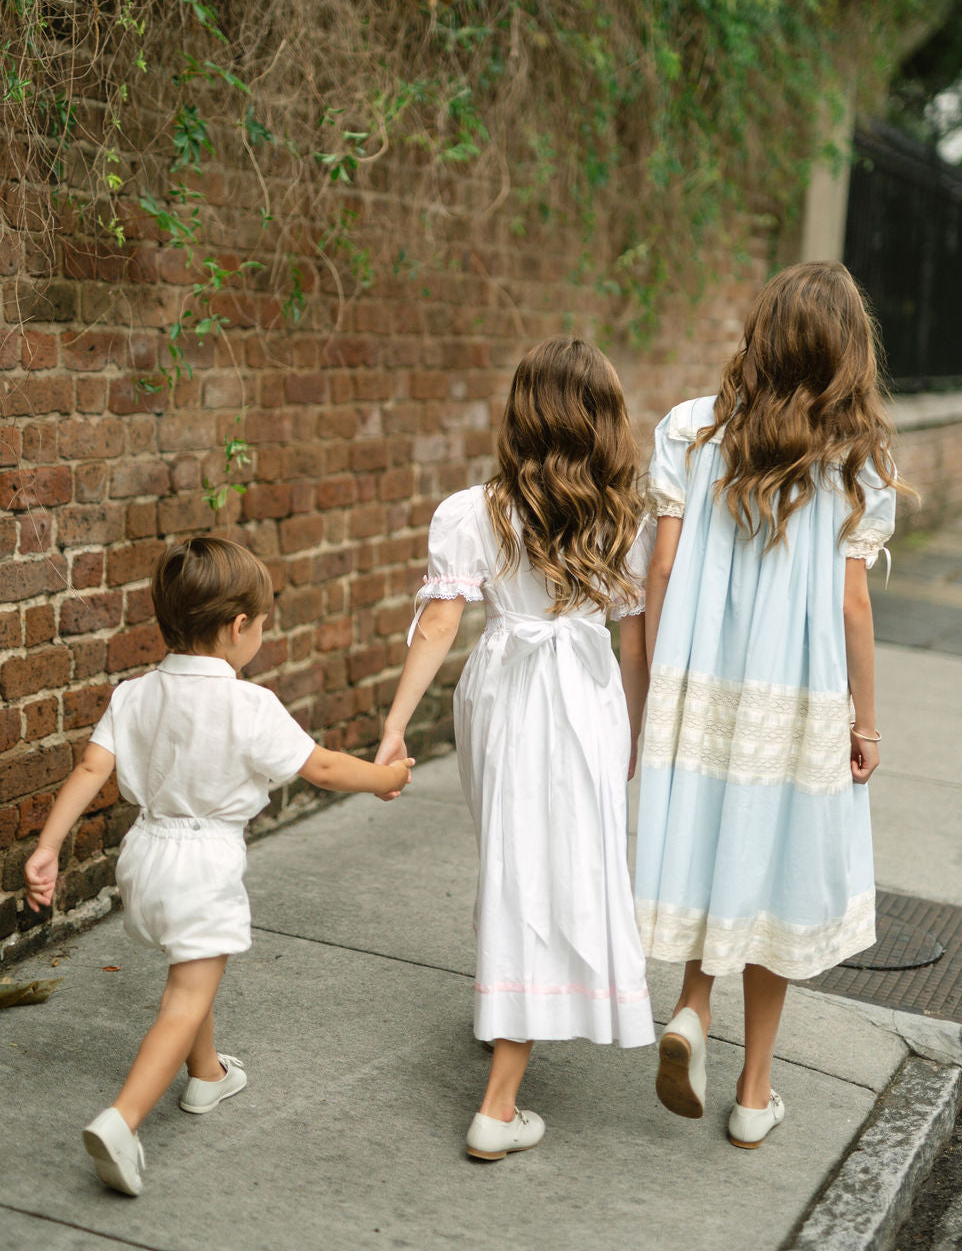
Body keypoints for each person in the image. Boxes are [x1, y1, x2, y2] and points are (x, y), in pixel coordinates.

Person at [23, 535, 413, 1197]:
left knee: (190, 970)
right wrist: (380, 777)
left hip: (144, 858)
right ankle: (123, 1120)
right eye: (261, 625)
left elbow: (93, 767)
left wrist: (48, 847)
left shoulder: (134, 694)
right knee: (185, 995)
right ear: (238, 628)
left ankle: (206, 1076)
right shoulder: (247, 705)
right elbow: (318, 765)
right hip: (202, 864)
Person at [635, 262, 911, 1149]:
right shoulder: (857, 459)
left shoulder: (690, 429)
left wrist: (656, 691)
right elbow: (850, 606)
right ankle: (754, 1094)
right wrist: (864, 723)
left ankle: (689, 1007)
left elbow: (664, 571)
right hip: (795, 690)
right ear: (847, 352)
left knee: (715, 837)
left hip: (699, 677)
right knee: (774, 860)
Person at [375, 336, 655, 1161]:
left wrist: (397, 722)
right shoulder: (625, 518)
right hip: (585, 695)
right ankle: (499, 1105)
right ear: (605, 422)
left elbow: (439, 623)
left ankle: (506, 1006)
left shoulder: (474, 512)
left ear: (520, 416)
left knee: (513, 854)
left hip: (501, 696)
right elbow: (633, 646)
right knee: (555, 867)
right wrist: (631, 728)